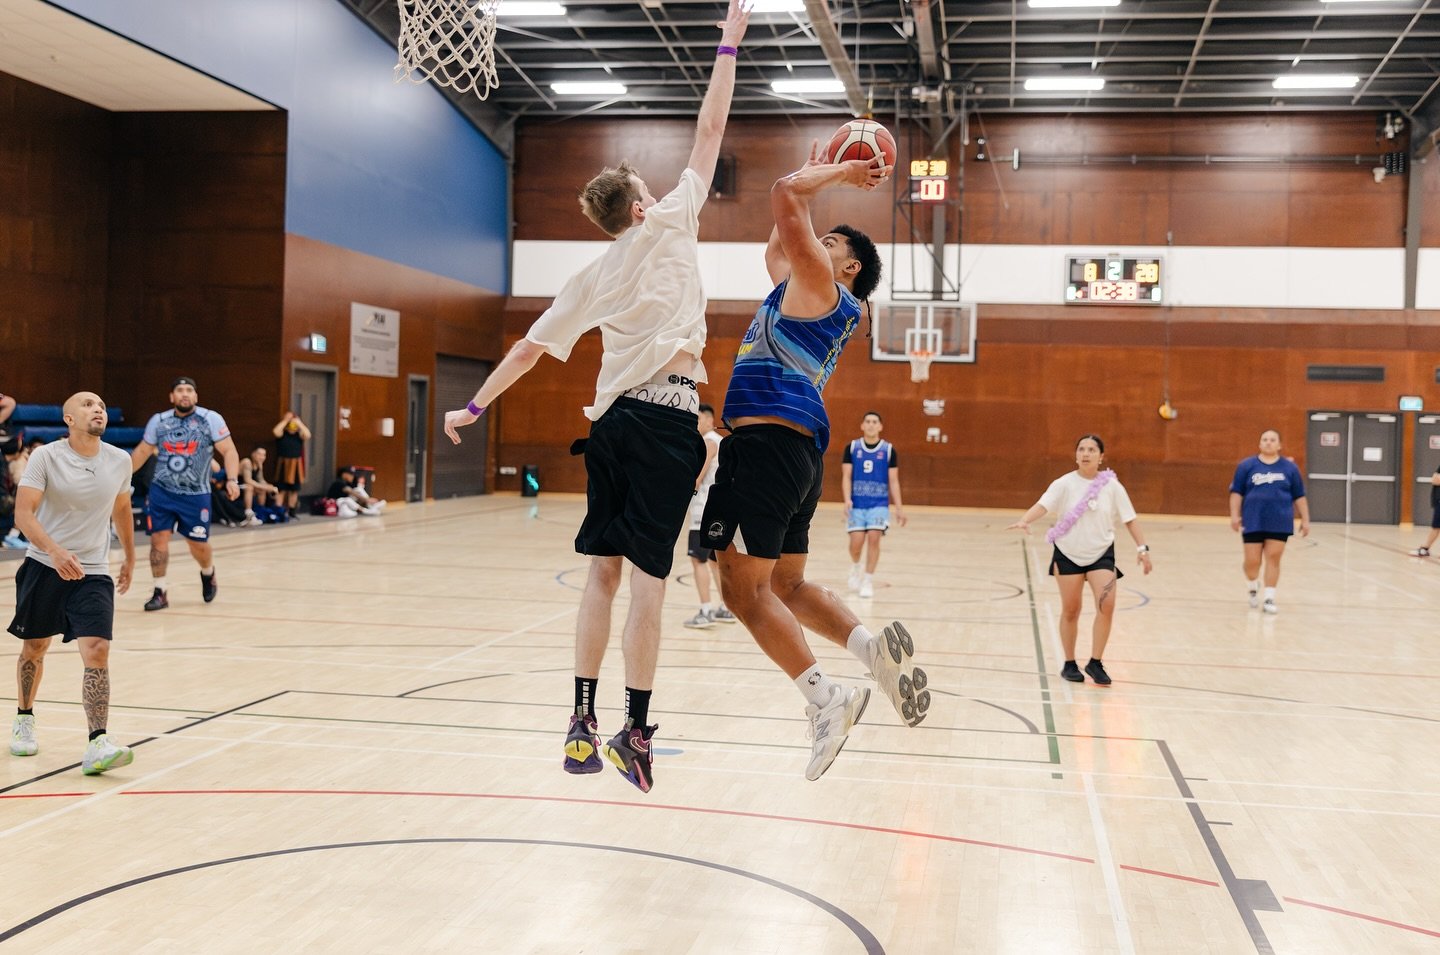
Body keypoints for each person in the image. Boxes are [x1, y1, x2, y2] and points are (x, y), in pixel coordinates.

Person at [443, 0, 751, 794]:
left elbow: (525, 349)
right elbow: (710, 132)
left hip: (609, 424)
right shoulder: (673, 221)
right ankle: (635, 730)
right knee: (649, 583)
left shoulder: (589, 278)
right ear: (642, 207)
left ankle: (578, 718)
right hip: (665, 419)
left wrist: (474, 409)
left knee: (600, 576)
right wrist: (728, 41)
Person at [699, 143, 928, 783]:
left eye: (828, 240)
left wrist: (838, 175)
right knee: (787, 587)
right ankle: (870, 650)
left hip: (765, 448)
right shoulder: (805, 290)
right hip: (796, 454)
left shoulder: (824, 287)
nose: (812, 241)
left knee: (742, 593)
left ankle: (826, 699)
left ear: (848, 265)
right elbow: (778, 237)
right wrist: (813, 171)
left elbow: (781, 195)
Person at [7, 391, 136, 774]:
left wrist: (129, 556)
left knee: (96, 649)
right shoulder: (47, 456)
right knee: (35, 648)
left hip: (93, 570)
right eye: (87, 404)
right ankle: (24, 716)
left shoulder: (119, 460)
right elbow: (23, 514)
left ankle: (98, 741)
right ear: (68, 418)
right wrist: (56, 552)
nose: (97, 409)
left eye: (100, 405)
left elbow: (122, 508)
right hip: (45, 565)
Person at [1009, 434, 1152, 685]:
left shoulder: (1113, 487)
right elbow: (1043, 505)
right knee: (1071, 609)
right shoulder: (1063, 484)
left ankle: (1096, 662)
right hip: (1067, 554)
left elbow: (1130, 518)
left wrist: (1143, 548)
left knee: (1106, 605)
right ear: (1076, 455)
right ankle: (1069, 663)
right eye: (1082, 449)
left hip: (1101, 554)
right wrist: (1025, 519)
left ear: (1101, 457)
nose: (1086, 453)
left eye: (1092, 449)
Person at [130, 377, 240, 611]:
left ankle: (208, 572)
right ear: (172, 397)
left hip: (196, 493)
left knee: (197, 545)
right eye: (179, 390)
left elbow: (229, 450)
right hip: (162, 491)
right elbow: (142, 451)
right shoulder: (159, 421)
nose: (184, 394)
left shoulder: (210, 419)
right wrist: (119, 477)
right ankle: (160, 591)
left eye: (189, 390)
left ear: (196, 396)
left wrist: (232, 479)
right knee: (158, 539)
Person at [1228, 429, 1309, 613]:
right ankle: (1252, 586)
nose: (1268, 443)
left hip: (1280, 520)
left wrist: (1305, 519)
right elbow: (1236, 492)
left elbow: (1299, 495)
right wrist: (1234, 515)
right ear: (1259, 444)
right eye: (1265, 439)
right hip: (1253, 519)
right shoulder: (1246, 466)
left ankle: (1270, 598)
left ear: (1279, 445)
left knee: (1273, 558)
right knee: (1252, 561)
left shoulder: (1289, 469)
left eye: (1273, 440)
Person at [682, 403, 736, 629]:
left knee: (698, 560)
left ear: (706, 419)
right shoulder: (724, 442)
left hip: (703, 511)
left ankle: (705, 610)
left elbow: (696, 478)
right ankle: (725, 608)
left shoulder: (709, 442)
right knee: (715, 562)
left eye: (696, 419)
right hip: (720, 511)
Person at [842, 410, 906, 598]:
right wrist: (847, 498)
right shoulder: (852, 448)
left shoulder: (888, 450)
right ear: (862, 425)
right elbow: (846, 476)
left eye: (874, 421)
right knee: (856, 544)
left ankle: (868, 580)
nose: (871, 424)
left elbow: (894, 481)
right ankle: (855, 567)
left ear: (880, 426)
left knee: (874, 538)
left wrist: (899, 508)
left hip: (879, 503)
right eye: (867, 421)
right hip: (857, 504)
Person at [272, 412, 310, 519]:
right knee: (281, 488)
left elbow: (308, 434)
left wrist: (299, 423)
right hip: (283, 463)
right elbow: (275, 431)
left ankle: (292, 511)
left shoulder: (299, 435)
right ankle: (278, 509)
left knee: (294, 489)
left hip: (296, 464)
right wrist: (285, 421)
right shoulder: (282, 434)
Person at [239, 447, 279, 524]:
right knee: (249, 487)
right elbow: (248, 480)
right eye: (259, 454)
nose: (261, 457)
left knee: (262, 489)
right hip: (236, 485)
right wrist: (264, 486)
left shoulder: (259, 465)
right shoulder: (247, 462)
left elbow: (261, 480)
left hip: (245, 486)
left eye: (264, 455)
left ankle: (260, 511)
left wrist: (270, 487)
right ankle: (248, 513)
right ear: (253, 455)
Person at [1412, 464, 1440, 557]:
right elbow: (1435, 479)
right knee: (1436, 526)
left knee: (1436, 526)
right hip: (1438, 499)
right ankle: (1425, 548)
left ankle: (1425, 548)